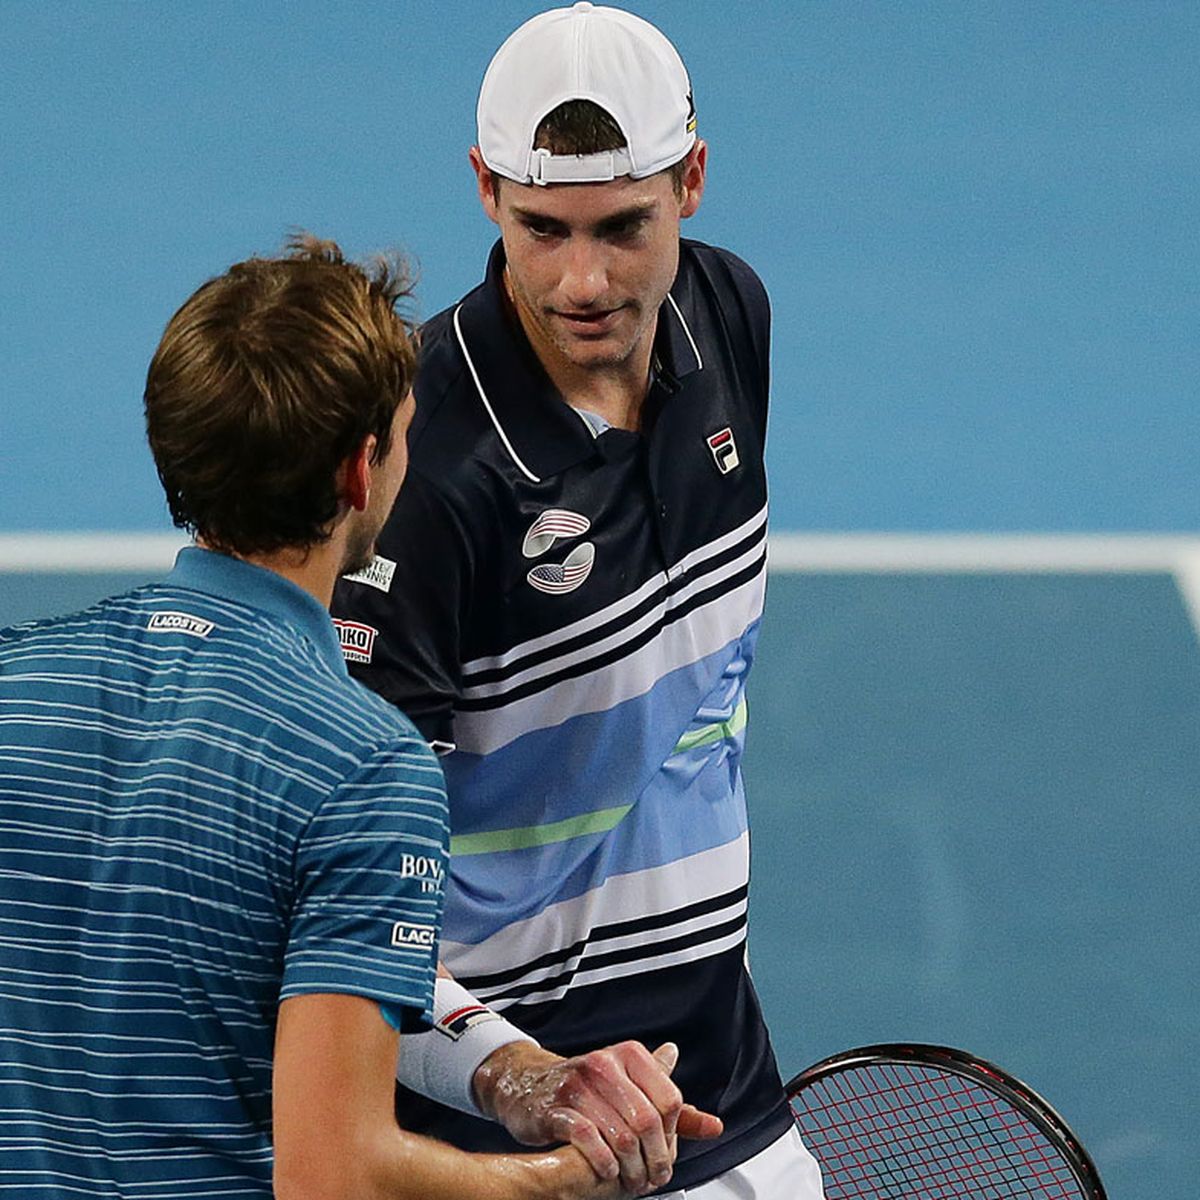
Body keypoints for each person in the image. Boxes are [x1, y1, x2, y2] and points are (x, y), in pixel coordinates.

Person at [0, 236, 637, 1199]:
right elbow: (333, 1173)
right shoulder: (364, 769)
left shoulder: (16, 677)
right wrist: (554, 1179)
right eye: (407, 434)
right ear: (358, 473)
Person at [332, 6, 825, 1197]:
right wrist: (525, 1080)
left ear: (692, 181)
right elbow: (340, 905)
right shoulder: (421, 475)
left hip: (710, 1072)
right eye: (541, 230)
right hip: (488, 1116)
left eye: (623, 228)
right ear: (485, 189)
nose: (584, 281)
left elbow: (696, 701)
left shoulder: (728, 317)